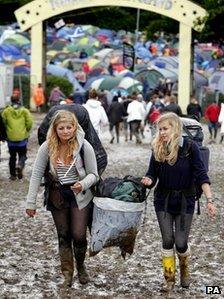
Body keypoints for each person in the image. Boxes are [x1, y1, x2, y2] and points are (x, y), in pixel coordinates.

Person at [141, 112, 216, 292]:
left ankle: (184, 269)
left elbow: (201, 175)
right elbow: (152, 173)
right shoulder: (158, 148)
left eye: (165, 129)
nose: (162, 133)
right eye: (160, 130)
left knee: (181, 243)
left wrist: (210, 200)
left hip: (185, 200)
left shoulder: (190, 147)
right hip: (163, 200)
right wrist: (148, 180)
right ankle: (169, 279)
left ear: (175, 128)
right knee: (167, 240)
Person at [26, 110, 99, 287]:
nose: (66, 131)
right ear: (55, 129)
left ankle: (81, 266)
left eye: (69, 127)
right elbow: (36, 174)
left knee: (79, 234)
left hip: (79, 194)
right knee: (63, 235)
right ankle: (67, 273)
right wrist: (31, 202)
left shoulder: (84, 146)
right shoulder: (47, 146)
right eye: (61, 128)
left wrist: (83, 184)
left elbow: (94, 174)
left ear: (75, 127)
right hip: (57, 194)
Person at [2, 95, 33, 180]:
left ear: (11, 101)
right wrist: (26, 130)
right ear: (19, 100)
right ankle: (20, 165)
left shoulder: (6, 111)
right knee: (22, 155)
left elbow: (3, 123)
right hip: (22, 139)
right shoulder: (24, 111)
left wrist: (6, 131)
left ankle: (13, 175)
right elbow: (29, 122)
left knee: (12, 157)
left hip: (11, 139)